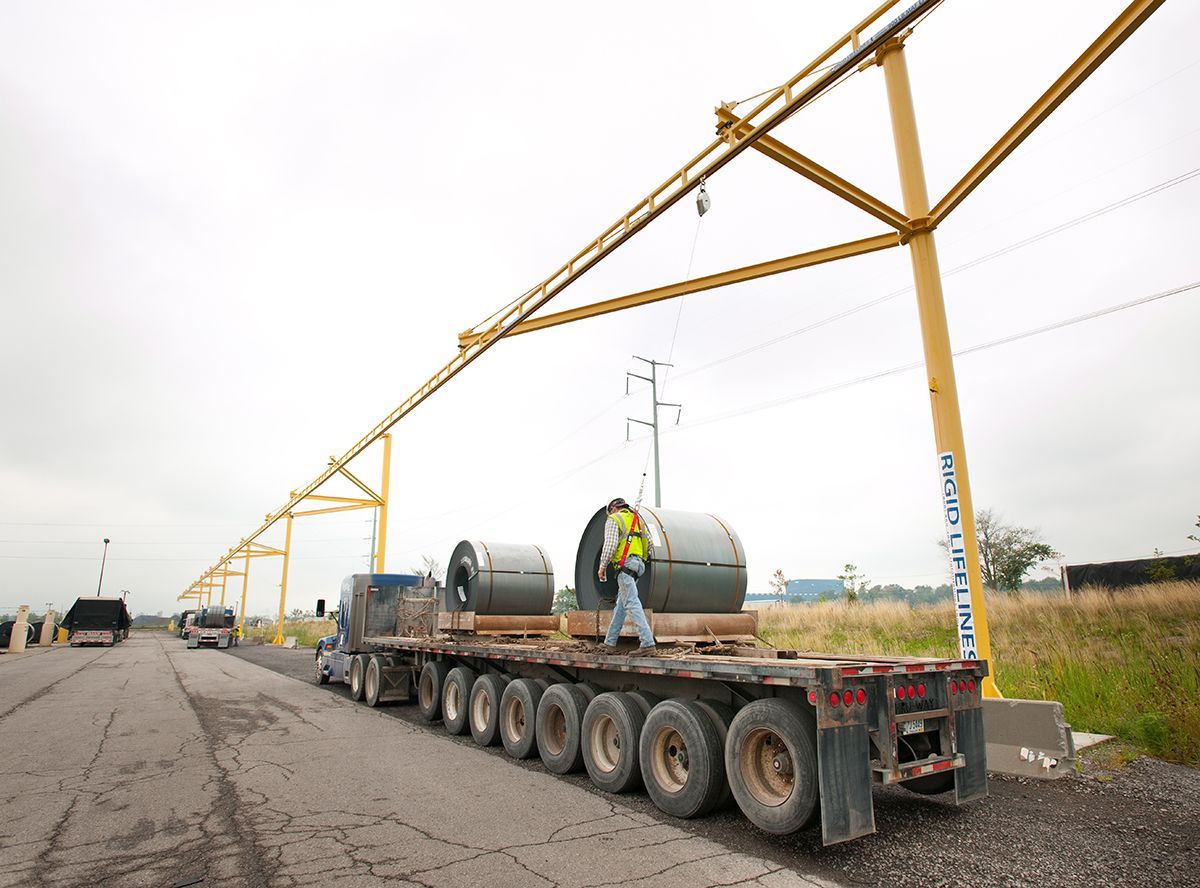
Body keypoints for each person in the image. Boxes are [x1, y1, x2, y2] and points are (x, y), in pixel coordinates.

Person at [597, 497, 656, 656]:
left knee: (631, 602)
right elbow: (650, 545)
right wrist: (639, 559)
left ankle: (647, 643)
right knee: (621, 605)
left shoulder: (614, 519)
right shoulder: (638, 521)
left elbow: (610, 545)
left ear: (612, 509)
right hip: (638, 565)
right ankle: (610, 642)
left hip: (625, 565)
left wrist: (602, 567)